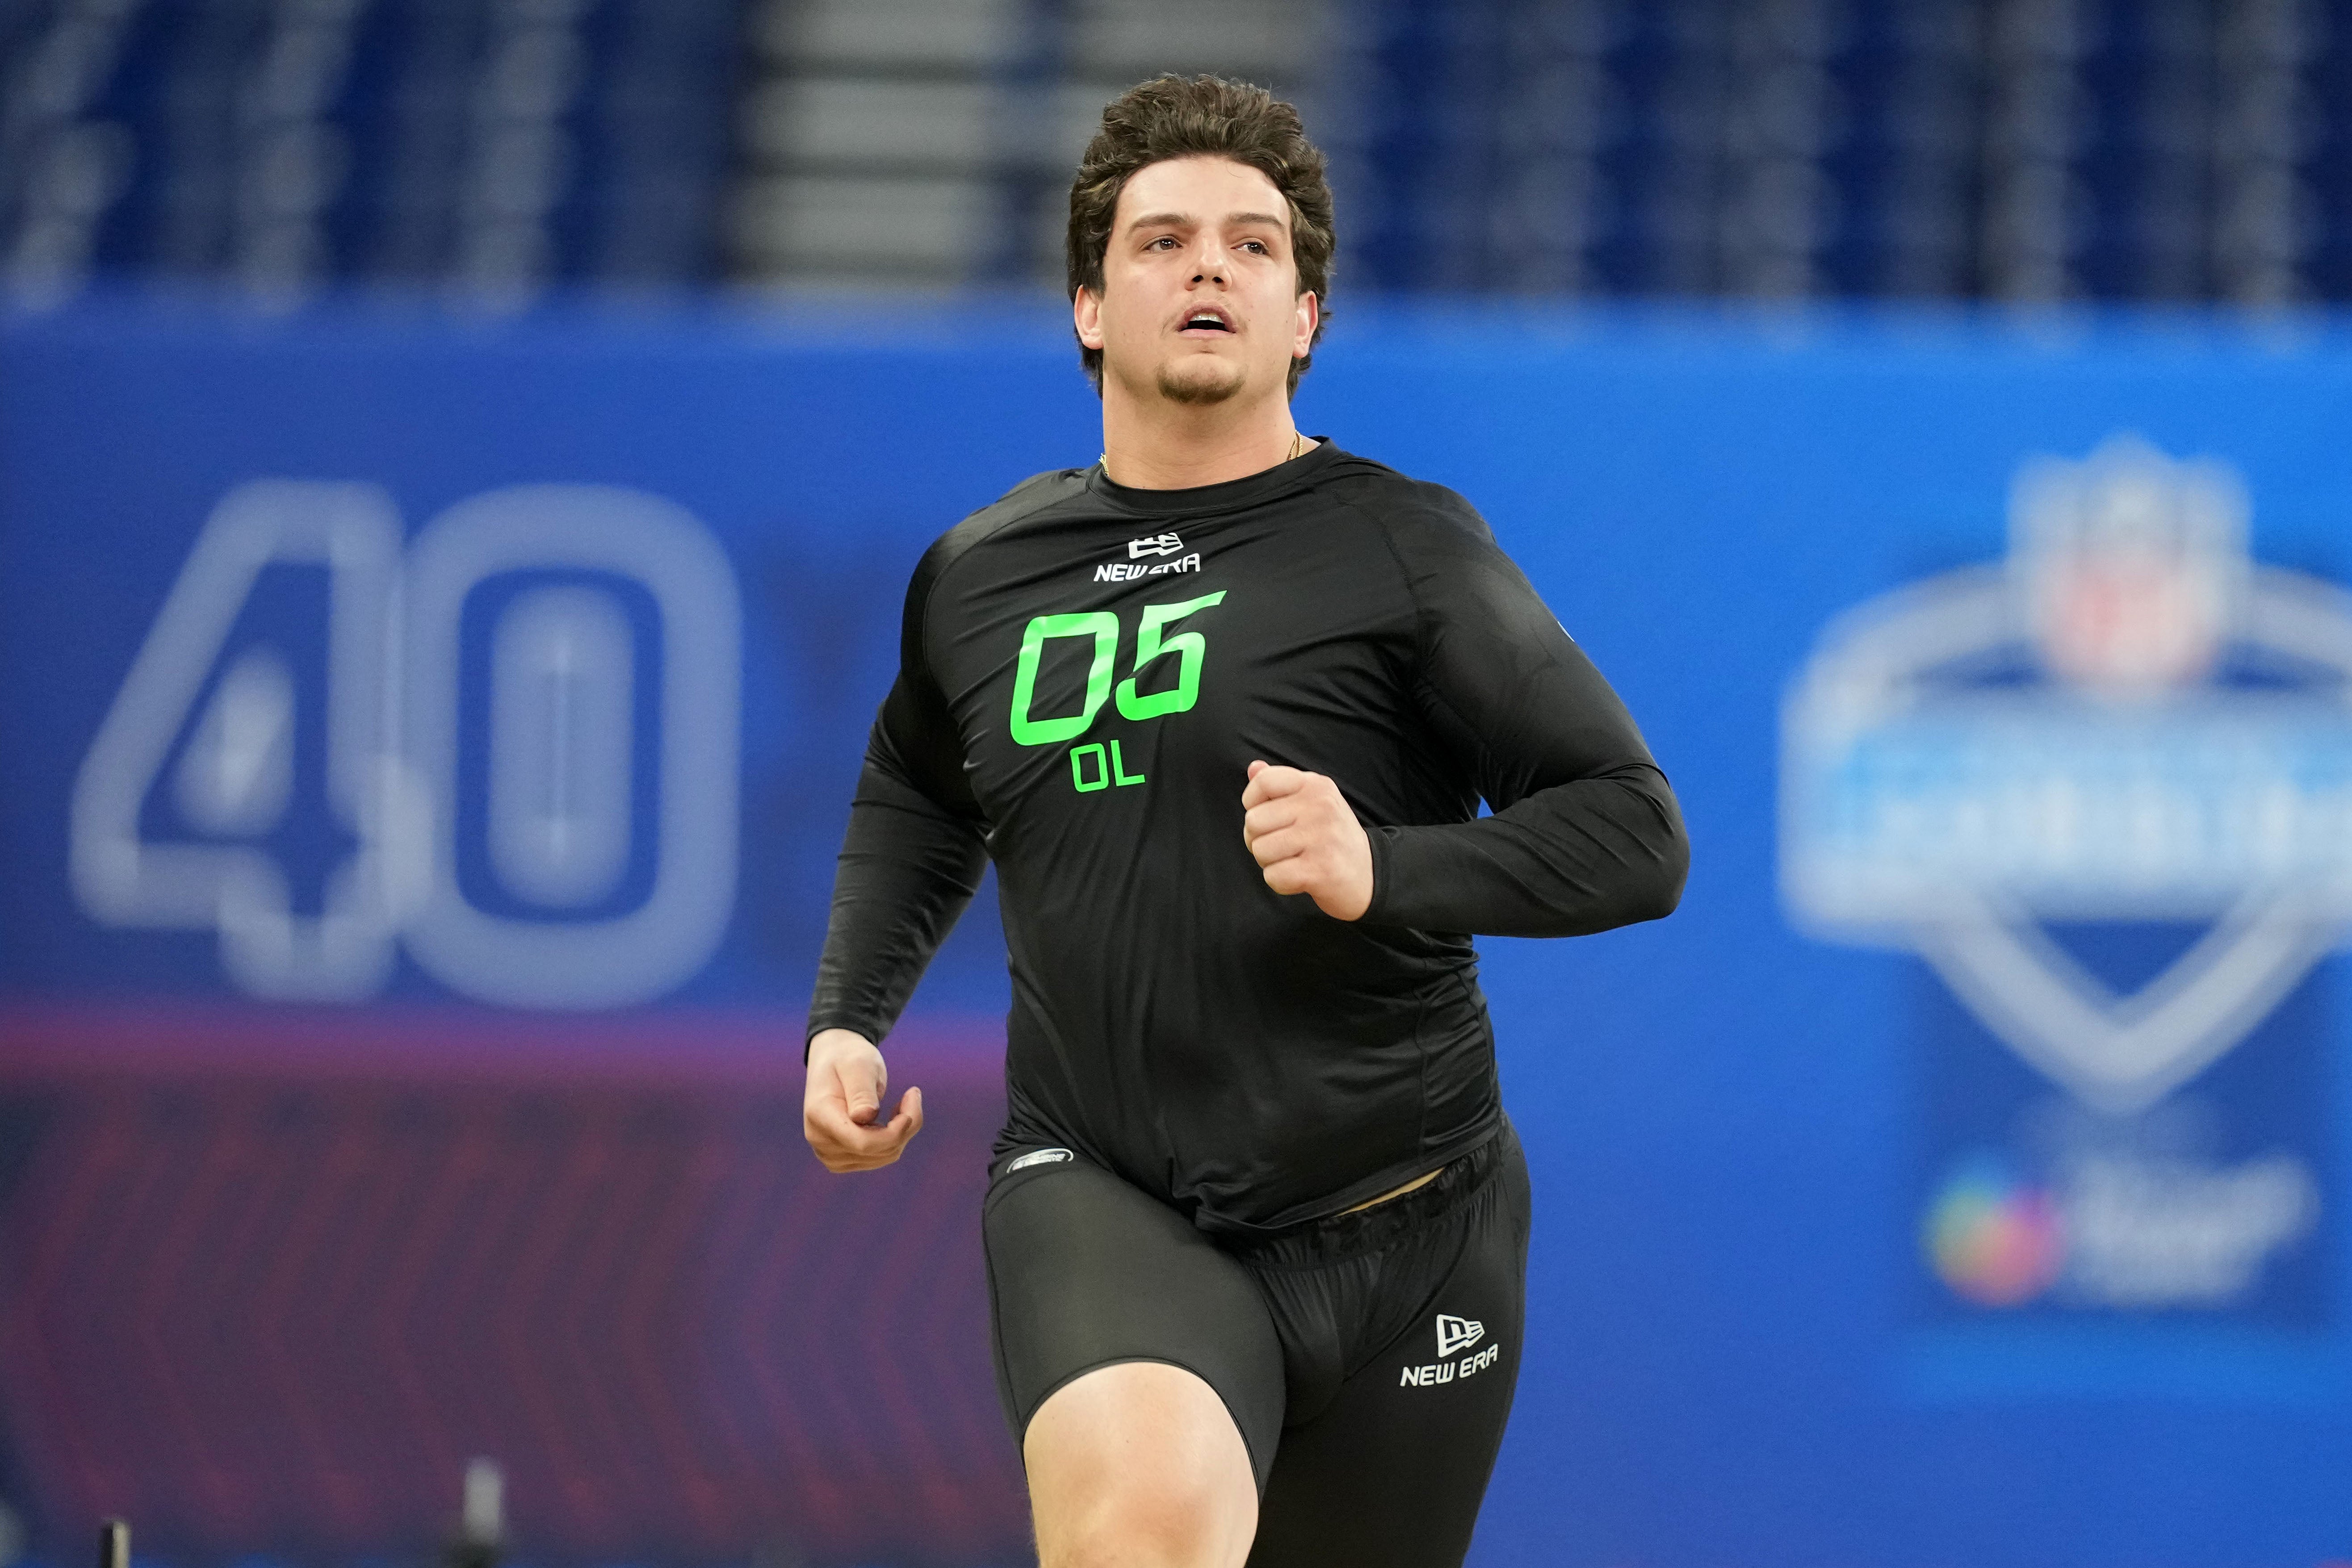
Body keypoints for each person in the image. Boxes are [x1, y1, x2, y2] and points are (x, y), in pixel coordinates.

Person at [802, 73, 1687, 1568]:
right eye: (1159, 243)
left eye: (1250, 245)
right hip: (1110, 1192)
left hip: (1420, 1227)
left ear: (1304, 320)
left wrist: (1383, 866)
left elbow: (1632, 830)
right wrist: (848, 1015)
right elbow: (915, 789)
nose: (1206, 266)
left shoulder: (1406, 547)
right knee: (1143, 1536)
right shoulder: (980, 575)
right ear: (1089, 307)